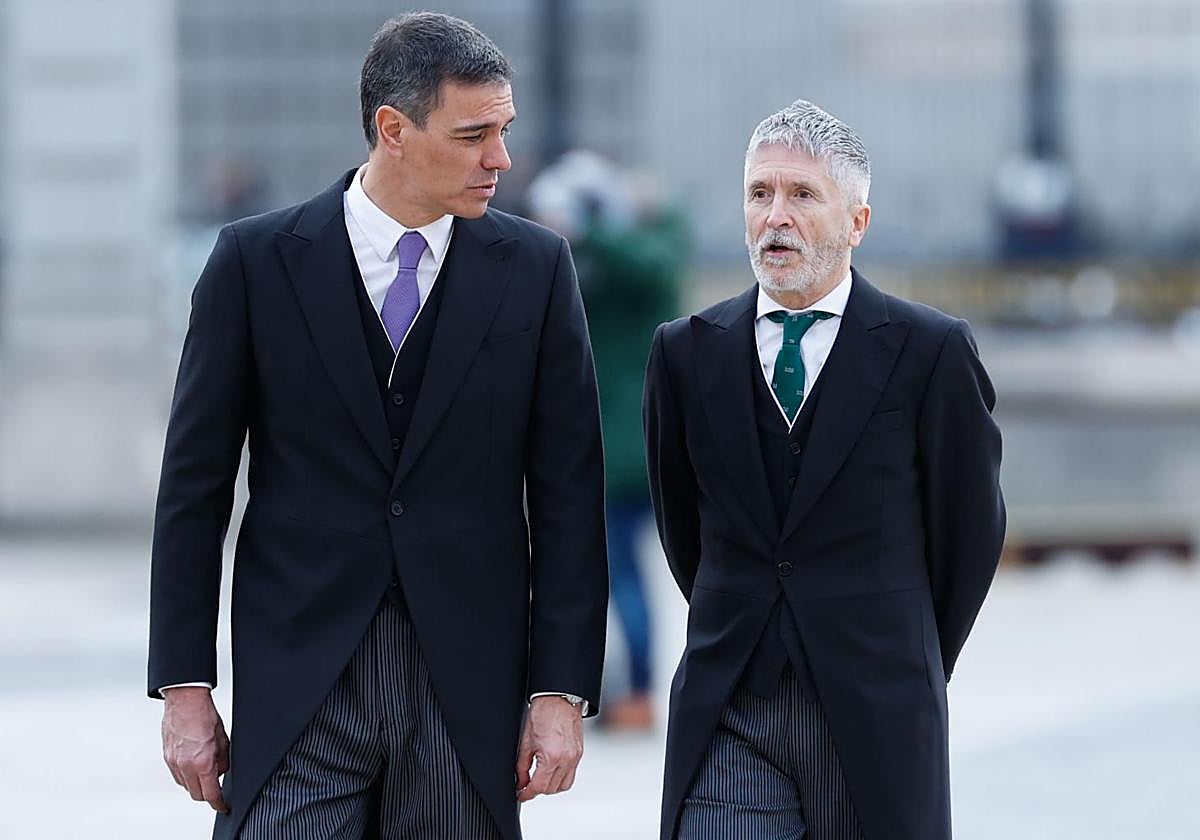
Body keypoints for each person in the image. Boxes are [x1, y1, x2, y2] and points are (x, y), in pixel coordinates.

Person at [148, 13, 608, 840]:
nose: (501, 159)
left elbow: (570, 498)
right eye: (473, 136)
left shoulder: (538, 271)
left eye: (504, 131)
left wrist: (559, 692)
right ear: (393, 130)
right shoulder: (254, 263)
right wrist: (185, 687)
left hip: (465, 687)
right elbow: (194, 489)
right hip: (299, 681)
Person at [643, 99, 1005, 839]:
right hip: (730, 705)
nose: (775, 217)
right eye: (759, 193)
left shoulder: (929, 352)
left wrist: (904, 649)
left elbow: (969, 532)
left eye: (803, 195)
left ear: (857, 222)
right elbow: (683, 526)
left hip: (876, 709)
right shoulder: (685, 353)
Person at [528, 153, 685, 730]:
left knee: (622, 577)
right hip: (636, 444)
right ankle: (628, 687)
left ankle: (637, 690)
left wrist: (585, 228)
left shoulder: (635, 256)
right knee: (622, 576)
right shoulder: (621, 257)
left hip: (623, 451)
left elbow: (650, 266)